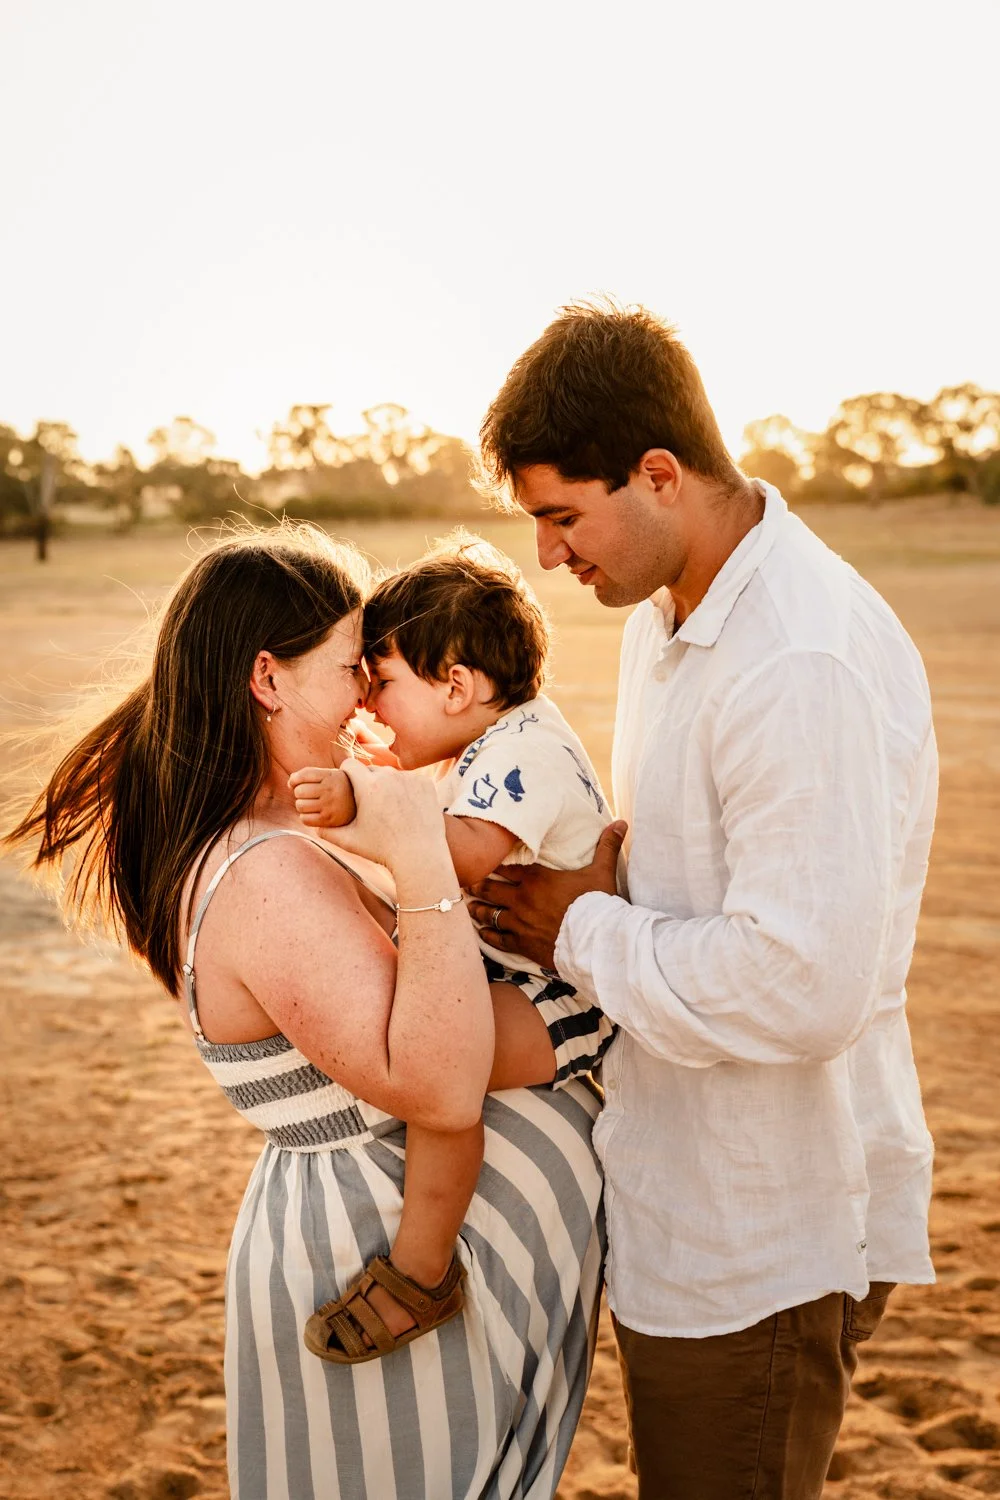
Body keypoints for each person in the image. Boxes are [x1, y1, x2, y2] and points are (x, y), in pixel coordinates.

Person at [3, 522, 620, 1500]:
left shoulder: (289, 831)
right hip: (375, 1263)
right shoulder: (266, 871)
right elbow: (437, 1082)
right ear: (267, 679)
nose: (369, 697)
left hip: (429, 1276)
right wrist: (421, 849)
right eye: (351, 668)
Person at [468, 302, 938, 1498]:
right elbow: (694, 871)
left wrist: (574, 925)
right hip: (680, 1187)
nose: (548, 558)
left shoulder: (797, 659)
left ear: (660, 474)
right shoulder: (669, 611)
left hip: (762, 1227)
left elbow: (801, 984)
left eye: (562, 516)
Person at [288, 537, 616, 1362]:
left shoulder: (526, 751)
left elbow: (454, 858)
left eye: (383, 682)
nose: (369, 704)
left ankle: (420, 1271)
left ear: (458, 686)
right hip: (507, 968)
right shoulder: (484, 748)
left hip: (560, 997)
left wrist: (356, 800)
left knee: (443, 1075)